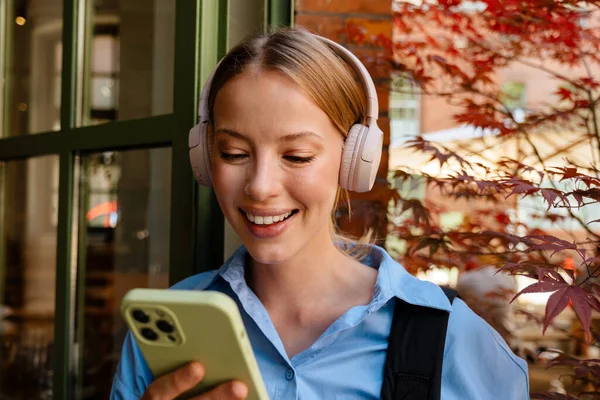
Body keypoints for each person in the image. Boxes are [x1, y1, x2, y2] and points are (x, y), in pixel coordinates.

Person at [110, 29, 529, 400]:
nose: (260, 186)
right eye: (233, 153)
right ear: (204, 158)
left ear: (353, 160)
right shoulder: (166, 327)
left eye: (297, 155)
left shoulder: (450, 336)